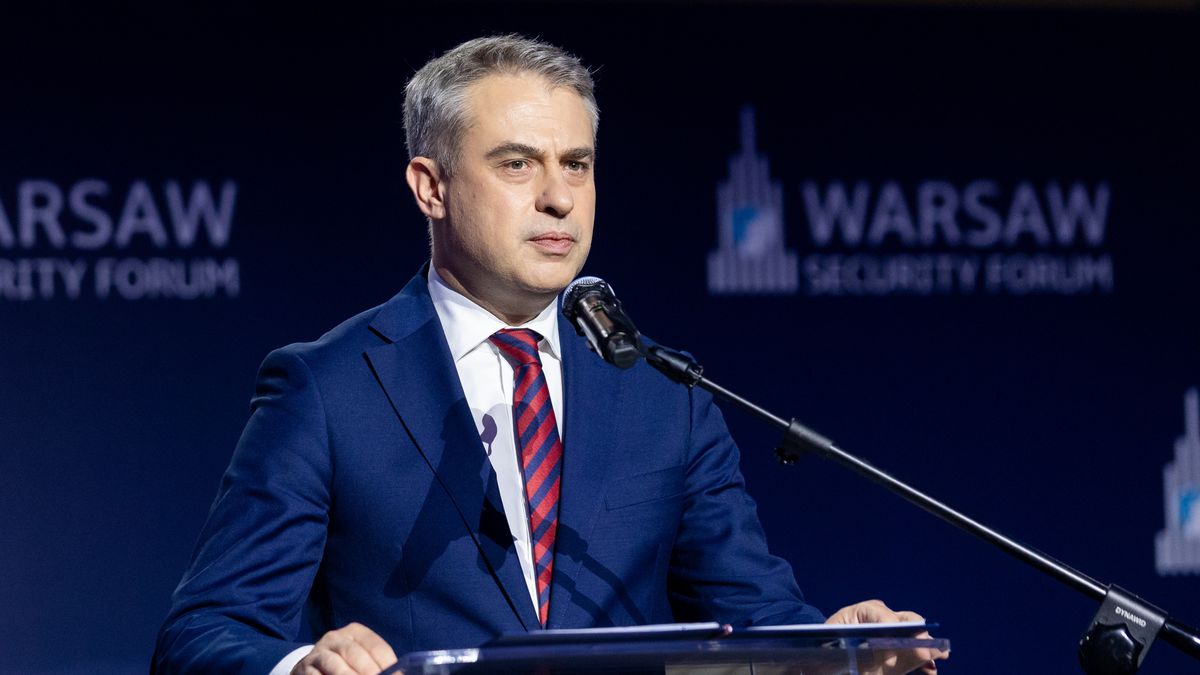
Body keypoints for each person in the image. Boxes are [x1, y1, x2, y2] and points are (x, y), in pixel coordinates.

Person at [152, 35, 946, 675]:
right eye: (517, 163)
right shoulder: (325, 389)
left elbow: (758, 611)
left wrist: (838, 645)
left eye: (577, 164)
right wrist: (299, 664)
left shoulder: (663, 391)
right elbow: (203, 632)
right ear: (430, 187)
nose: (559, 196)